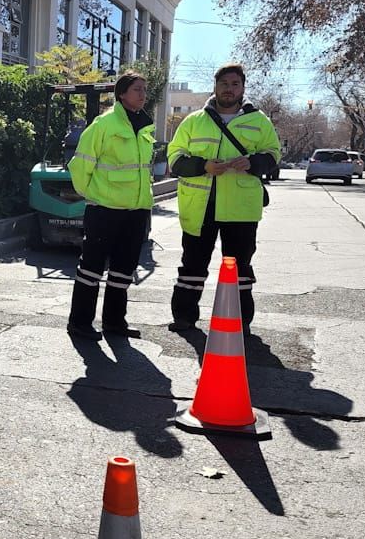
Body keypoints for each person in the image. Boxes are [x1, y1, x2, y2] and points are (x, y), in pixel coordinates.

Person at [167, 63, 281, 334]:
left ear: (243, 88)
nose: (229, 89)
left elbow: (273, 155)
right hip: (200, 207)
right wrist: (203, 166)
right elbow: (175, 158)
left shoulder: (259, 121)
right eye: (224, 84)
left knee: (239, 268)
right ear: (215, 86)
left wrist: (252, 162)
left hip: (241, 209)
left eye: (235, 84)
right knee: (193, 265)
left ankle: (240, 321)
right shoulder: (194, 121)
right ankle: (184, 317)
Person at [66, 72, 156, 340]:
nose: (143, 94)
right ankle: (80, 323)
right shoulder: (104, 124)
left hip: (136, 210)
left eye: (144, 89)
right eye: (137, 89)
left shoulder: (144, 126)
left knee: (123, 269)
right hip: (104, 210)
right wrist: (92, 195)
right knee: (91, 268)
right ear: (122, 93)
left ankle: (114, 322)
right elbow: (80, 165)